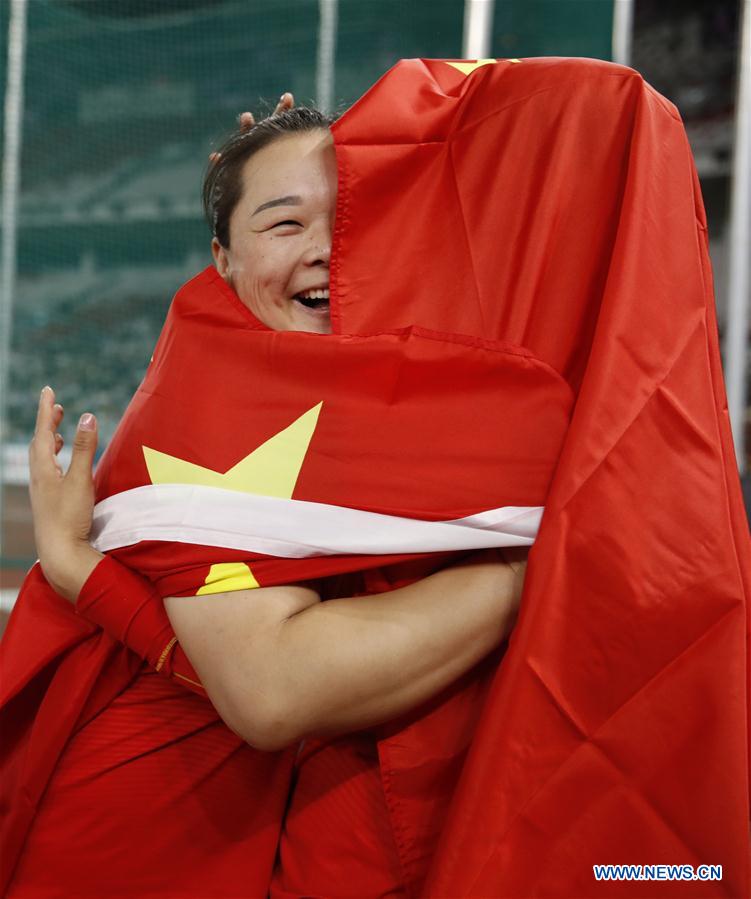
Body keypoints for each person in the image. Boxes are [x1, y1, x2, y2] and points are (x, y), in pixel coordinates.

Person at [4, 98, 529, 897]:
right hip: (133, 841)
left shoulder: (346, 381)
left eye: (350, 218)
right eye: (284, 224)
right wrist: (532, 569)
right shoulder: (214, 404)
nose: (325, 248)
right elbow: (266, 692)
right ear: (220, 258)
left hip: (236, 831)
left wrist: (323, 152)